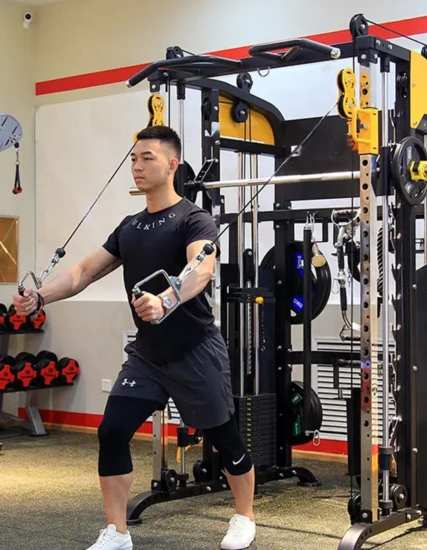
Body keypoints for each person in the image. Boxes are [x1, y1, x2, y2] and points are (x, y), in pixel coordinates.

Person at [13, 125, 256, 550]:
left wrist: (165, 300)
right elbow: (83, 271)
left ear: (172, 165)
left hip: (194, 349)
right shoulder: (130, 226)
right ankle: (117, 532)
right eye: (134, 158)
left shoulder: (193, 218)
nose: (137, 165)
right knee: (112, 431)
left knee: (225, 436)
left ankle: (244, 516)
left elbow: (201, 268)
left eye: (147, 158)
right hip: (147, 355)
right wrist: (39, 297)